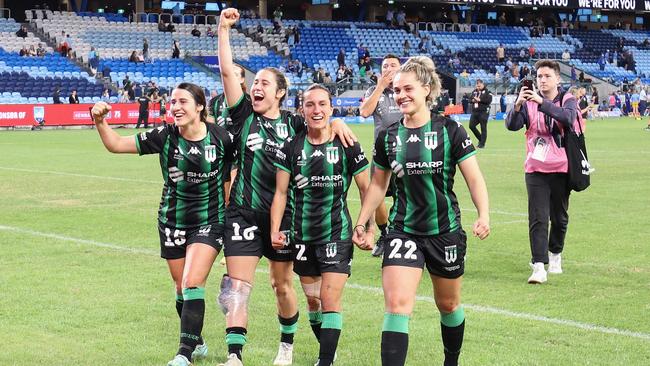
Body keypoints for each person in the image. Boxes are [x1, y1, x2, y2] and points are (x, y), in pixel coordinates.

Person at [216, 9, 356, 366]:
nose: (256, 87)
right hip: (243, 215)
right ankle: (235, 356)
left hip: (285, 219)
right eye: (255, 82)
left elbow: (321, 123)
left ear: (280, 93)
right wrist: (223, 30)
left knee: (282, 287)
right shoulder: (244, 116)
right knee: (237, 287)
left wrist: (337, 120)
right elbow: (226, 72)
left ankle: (287, 346)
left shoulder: (296, 125)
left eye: (264, 83)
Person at [353, 56, 490, 366]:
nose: (400, 95)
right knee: (397, 305)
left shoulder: (450, 131)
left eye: (407, 89)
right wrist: (362, 222)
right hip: (404, 231)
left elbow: (474, 178)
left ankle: (450, 361)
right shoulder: (388, 137)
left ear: (427, 90)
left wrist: (484, 214)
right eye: (397, 90)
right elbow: (377, 186)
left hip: (445, 231)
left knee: (448, 304)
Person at [90, 83, 235, 366]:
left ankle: (184, 354)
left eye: (183, 101)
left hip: (210, 221)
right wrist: (99, 121)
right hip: (172, 221)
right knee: (182, 289)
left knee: (193, 282)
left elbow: (234, 176)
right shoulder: (164, 136)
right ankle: (197, 340)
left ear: (199, 107)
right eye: (173, 102)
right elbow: (116, 144)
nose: (176, 107)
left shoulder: (222, 139)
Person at [270, 84, 373, 366]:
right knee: (313, 302)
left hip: (337, 234)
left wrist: (368, 227)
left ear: (331, 108)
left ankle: (324, 361)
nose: (317, 110)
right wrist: (275, 229)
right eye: (310, 105)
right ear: (302, 109)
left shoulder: (347, 144)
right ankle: (328, 348)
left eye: (322, 104)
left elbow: (368, 190)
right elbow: (281, 192)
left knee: (329, 299)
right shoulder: (291, 147)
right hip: (303, 236)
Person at [505, 59, 582, 284]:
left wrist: (541, 102)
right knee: (538, 217)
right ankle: (539, 265)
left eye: (547, 76)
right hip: (535, 167)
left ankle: (555, 253)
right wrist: (518, 104)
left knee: (559, 218)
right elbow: (511, 125)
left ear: (558, 79)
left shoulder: (568, 99)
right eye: (539, 76)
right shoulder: (528, 103)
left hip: (561, 168)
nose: (542, 80)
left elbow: (568, 119)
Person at [359, 54, 403, 257]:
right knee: (376, 198)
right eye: (385, 65)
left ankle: (401, 234)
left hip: (407, 153)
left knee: (406, 195)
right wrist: (379, 87)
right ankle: (385, 234)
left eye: (393, 65)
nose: (389, 68)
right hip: (382, 153)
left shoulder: (406, 90)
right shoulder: (374, 91)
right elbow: (365, 112)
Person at [469, 79, 492, 148]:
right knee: (471, 126)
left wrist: (480, 100)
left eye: (479, 86)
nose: (478, 87)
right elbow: (469, 99)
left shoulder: (488, 92)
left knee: (483, 127)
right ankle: (481, 139)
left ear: (483, 84)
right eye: (477, 86)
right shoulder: (474, 92)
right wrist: (473, 100)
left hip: (483, 112)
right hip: (475, 112)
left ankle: (482, 144)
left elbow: (489, 100)